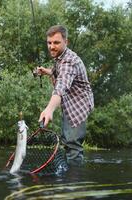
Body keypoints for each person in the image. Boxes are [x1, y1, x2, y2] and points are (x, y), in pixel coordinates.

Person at [36, 25, 94, 162]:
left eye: (56, 42)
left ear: (66, 42)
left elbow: (61, 85)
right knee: (67, 142)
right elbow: (59, 72)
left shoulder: (69, 61)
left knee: (73, 146)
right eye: (49, 43)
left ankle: (72, 181)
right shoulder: (61, 57)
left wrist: (49, 109)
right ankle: (69, 177)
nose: (51, 46)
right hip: (68, 103)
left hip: (78, 105)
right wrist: (48, 71)